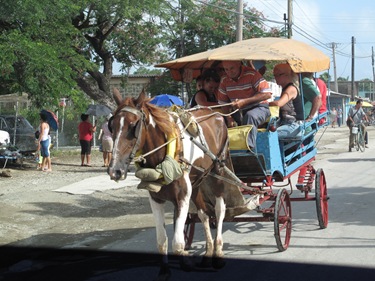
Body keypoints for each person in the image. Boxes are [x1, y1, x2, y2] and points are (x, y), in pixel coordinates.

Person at [217, 60, 272, 150]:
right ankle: (223, 151)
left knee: (250, 116)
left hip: (260, 108)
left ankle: (248, 148)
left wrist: (245, 101)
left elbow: (267, 94)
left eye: (232, 68)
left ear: (238, 64)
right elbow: (223, 103)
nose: (229, 72)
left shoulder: (252, 74)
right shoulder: (224, 80)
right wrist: (229, 118)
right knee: (218, 120)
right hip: (238, 111)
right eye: (226, 69)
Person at [269, 63, 304, 139]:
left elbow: (279, 103)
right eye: (275, 75)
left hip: (294, 126)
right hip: (285, 124)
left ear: (287, 75)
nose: (276, 77)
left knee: (269, 136)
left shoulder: (291, 89)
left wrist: (265, 104)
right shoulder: (284, 89)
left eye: (279, 75)